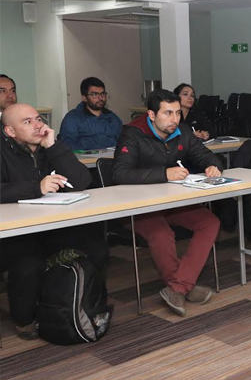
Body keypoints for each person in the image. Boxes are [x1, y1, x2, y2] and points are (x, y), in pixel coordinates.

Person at [0, 103, 108, 340]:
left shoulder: (49, 146)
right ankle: (24, 320)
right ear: (10, 131)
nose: (38, 125)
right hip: (14, 231)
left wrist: (53, 147)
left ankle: (92, 304)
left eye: (38, 119)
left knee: (96, 247)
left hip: (52, 225)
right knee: (28, 264)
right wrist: (35, 188)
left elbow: (82, 180)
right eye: (27, 122)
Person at [111, 89, 223, 316]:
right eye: (168, 113)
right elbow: (120, 173)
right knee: (162, 234)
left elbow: (207, 155)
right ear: (151, 114)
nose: (174, 120)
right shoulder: (133, 133)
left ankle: (178, 287)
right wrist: (164, 174)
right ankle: (183, 286)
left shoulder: (181, 131)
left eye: (178, 113)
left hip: (172, 201)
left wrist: (214, 165)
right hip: (139, 206)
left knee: (209, 222)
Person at [58, 77, 123, 151]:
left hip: (110, 159)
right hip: (82, 161)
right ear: (84, 98)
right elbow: (66, 146)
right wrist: (98, 141)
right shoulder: (72, 118)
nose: (100, 98)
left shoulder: (113, 118)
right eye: (95, 94)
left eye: (103, 94)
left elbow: (123, 143)